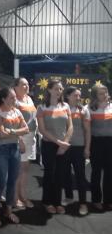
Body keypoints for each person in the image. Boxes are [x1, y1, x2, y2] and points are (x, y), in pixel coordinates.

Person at [0, 87, 28, 227]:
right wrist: (16, 133)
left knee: (12, 181)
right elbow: (0, 134)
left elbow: (26, 129)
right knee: (1, 182)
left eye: (14, 97)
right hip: (1, 150)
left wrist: (11, 131)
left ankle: (8, 211)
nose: (14, 99)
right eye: (12, 97)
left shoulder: (17, 111)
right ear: (4, 99)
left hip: (15, 149)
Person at [37, 79, 73, 214]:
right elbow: (42, 130)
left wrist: (65, 143)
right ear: (49, 90)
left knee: (60, 175)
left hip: (63, 146)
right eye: (56, 88)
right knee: (49, 174)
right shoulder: (42, 108)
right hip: (49, 145)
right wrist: (59, 143)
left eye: (60, 89)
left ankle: (57, 202)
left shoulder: (66, 106)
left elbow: (70, 127)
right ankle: (47, 202)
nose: (59, 91)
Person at [63, 87, 91, 215]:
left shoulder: (83, 110)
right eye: (76, 95)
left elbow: (87, 131)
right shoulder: (61, 108)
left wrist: (87, 148)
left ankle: (83, 203)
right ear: (68, 96)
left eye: (79, 96)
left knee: (80, 176)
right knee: (66, 174)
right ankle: (69, 197)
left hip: (79, 147)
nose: (78, 98)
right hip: (64, 147)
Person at [13, 77, 37, 209]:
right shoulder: (14, 101)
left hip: (31, 139)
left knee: (25, 169)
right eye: (23, 84)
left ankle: (22, 195)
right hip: (21, 139)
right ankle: (16, 197)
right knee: (18, 170)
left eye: (27, 84)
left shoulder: (29, 99)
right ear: (15, 87)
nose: (26, 86)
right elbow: (14, 123)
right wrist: (19, 140)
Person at [88, 84, 112, 211]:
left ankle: (109, 201)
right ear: (95, 95)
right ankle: (96, 200)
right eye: (101, 93)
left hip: (110, 143)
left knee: (110, 173)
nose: (104, 95)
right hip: (96, 143)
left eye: (106, 92)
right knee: (96, 172)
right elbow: (87, 130)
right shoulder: (90, 108)